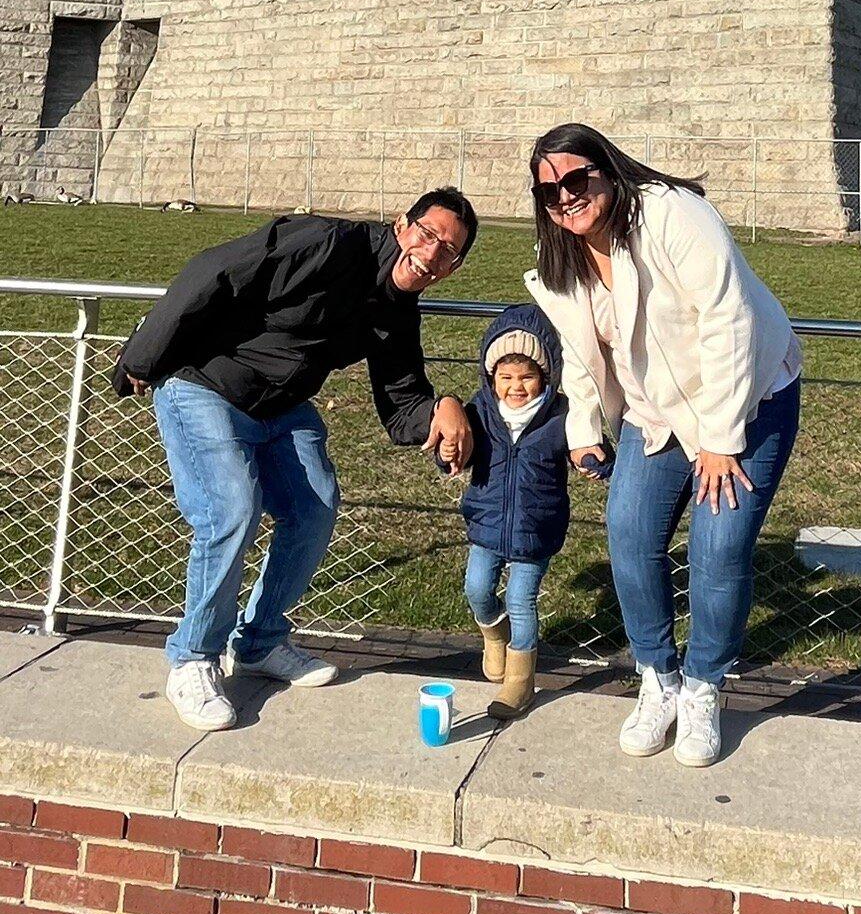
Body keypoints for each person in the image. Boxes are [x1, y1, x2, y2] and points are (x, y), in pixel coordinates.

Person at [113, 191, 478, 733]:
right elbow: (213, 269)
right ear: (401, 224)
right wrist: (144, 355)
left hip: (281, 407)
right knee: (230, 511)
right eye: (427, 234)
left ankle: (259, 642)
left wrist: (445, 410)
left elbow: (402, 401)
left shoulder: (396, 310)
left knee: (315, 507)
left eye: (449, 252)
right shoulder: (326, 242)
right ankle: (192, 657)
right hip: (205, 384)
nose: (431, 255)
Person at [524, 124, 800, 769]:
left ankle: (705, 685)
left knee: (719, 548)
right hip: (657, 413)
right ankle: (659, 678)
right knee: (629, 536)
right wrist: (583, 429)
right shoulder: (565, 261)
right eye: (549, 192)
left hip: (748, 398)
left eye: (576, 180)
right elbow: (583, 354)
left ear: (606, 170)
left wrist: (722, 438)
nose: (566, 198)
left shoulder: (671, 213)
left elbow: (728, 318)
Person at [459, 305, 585, 722]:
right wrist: (448, 455)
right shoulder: (478, 411)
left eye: (528, 376)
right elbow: (456, 451)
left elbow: (586, 446)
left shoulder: (561, 416)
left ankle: (521, 681)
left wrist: (597, 460)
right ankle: (495, 636)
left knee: (521, 598)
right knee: (477, 588)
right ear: (491, 377)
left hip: (536, 527)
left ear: (545, 377)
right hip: (486, 523)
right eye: (506, 377)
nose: (517, 386)